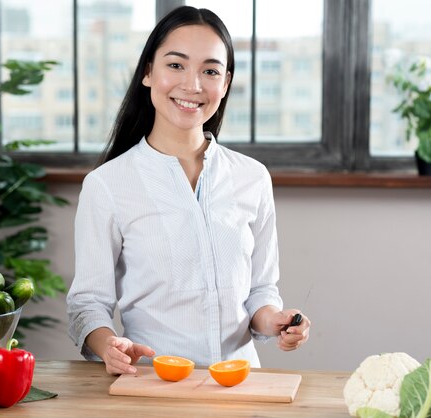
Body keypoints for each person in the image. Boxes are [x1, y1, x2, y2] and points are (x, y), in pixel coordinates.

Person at [66, 5, 311, 376]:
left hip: (239, 385)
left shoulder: (253, 177)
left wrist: (274, 320)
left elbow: (260, 290)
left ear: (225, 83)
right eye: (176, 65)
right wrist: (109, 345)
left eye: (210, 71)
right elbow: (87, 303)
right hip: (155, 383)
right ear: (148, 71)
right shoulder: (107, 185)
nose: (192, 85)